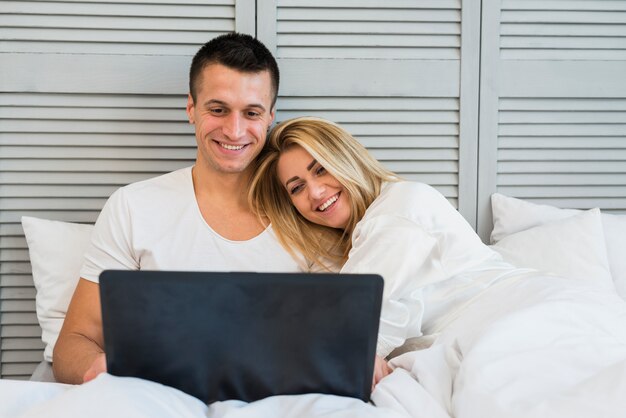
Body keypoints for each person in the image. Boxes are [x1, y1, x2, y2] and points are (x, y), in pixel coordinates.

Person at [52, 33, 302, 384]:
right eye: (218, 109)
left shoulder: (307, 207)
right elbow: (74, 343)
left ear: (271, 117)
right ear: (190, 108)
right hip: (162, 398)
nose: (234, 130)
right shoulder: (133, 207)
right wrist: (101, 371)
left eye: (252, 113)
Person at [249, 116, 517, 358]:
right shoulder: (359, 238)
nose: (316, 192)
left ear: (346, 159)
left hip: (511, 318)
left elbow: (350, 329)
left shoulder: (397, 212)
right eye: (297, 188)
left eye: (321, 169)